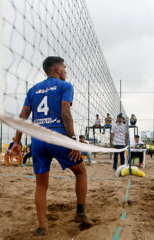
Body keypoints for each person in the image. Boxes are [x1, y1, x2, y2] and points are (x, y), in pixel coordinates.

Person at [11, 56, 93, 236]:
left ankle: (42, 226)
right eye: (64, 68)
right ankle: (80, 213)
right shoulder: (65, 86)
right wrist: (72, 140)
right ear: (57, 69)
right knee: (80, 171)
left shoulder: (33, 89)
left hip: (38, 139)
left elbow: (22, 116)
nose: (65, 71)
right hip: (57, 136)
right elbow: (65, 110)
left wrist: (17, 141)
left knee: (41, 185)